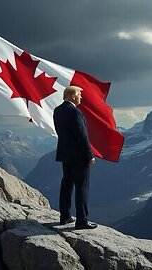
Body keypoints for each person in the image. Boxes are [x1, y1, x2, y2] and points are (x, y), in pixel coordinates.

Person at [53, 85, 98, 229]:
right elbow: (82, 136)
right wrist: (89, 155)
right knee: (82, 187)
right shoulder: (75, 112)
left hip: (65, 154)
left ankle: (64, 216)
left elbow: (59, 131)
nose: (81, 97)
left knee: (66, 184)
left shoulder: (57, 110)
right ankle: (81, 221)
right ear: (72, 96)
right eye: (79, 94)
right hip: (79, 156)